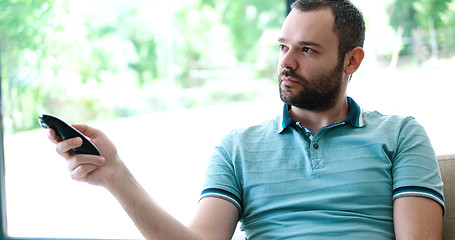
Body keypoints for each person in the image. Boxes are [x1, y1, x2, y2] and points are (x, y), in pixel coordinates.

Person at [48, 0, 445, 239]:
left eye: (307, 50)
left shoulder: (400, 135)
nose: (286, 63)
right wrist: (116, 174)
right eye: (283, 47)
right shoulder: (238, 148)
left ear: (351, 60)